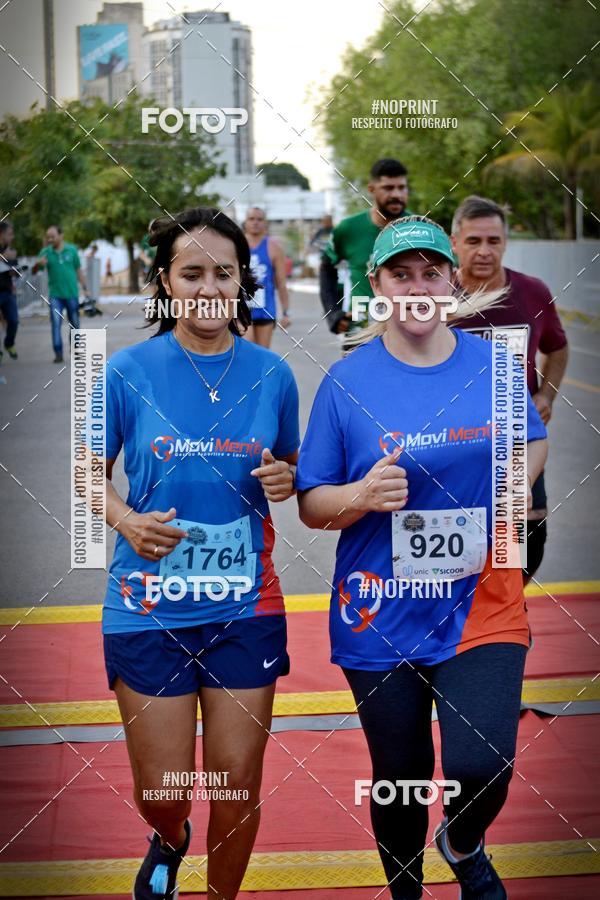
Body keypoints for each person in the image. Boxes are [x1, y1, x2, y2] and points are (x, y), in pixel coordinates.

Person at [297, 216, 547, 900]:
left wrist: (517, 483)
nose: (417, 287)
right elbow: (312, 504)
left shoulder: (492, 365)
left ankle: (463, 844)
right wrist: (359, 493)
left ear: (452, 281)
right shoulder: (347, 383)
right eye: (400, 274)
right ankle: (405, 887)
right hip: (380, 612)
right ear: (376, 284)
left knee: (484, 762)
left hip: (483, 601)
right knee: (400, 772)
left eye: (431, 272)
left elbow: (530, 439)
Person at [97, 207, 299, 899]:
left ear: (243, 281)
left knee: (236, 786)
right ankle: (169, 835)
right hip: (146, 605)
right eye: (193, 272)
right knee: (163, 790)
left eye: (224, 272)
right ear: (165, 282)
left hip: (245, 607)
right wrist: (125, 519)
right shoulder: (125, 370)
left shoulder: (273, 373)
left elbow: (296, 470)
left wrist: (288, 476)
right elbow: (81, 471)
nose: (209, 286)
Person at [450, 195, 568, 583]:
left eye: (494, 241)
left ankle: (509, 616)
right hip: (452, 443)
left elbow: (557, 348)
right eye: (473, 241)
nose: (484, 251)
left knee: (525, 540)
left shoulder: (532, 292)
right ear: (455, 243)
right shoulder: (437, 296)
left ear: (505, 242)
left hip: (515, 443)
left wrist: (546, 395)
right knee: (456, 540)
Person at [319, 158, 412, 338]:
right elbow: (326, 268)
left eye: (402, 187)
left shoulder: (419, 228)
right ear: (371, 189)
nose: (397, 194)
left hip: (408, 330)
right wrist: (333, 314)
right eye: (388, 188)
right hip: (361, 331)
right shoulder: (348, 229)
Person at [32, 226, 90, 363]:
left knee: (75, 323)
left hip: (71, 294)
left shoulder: (72, 250)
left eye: (53, 236)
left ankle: (76, 351)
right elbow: (34, 271)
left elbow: (78, 270)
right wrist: (37, 264)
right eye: (48, 237)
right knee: (56, 323)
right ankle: (58, 353)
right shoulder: (45, 252)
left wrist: (85, 288)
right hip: (55, 296)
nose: (50, 239)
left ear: (61, 235)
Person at [243, 207, 290, 347]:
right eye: (251, 219)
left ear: (265, 223)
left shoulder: (274, 248)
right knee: (247, 349)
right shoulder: (236, 245)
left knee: (263, 353)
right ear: (245, 222)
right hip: (242, 306)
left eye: (259, 219)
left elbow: (281, 283)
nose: (255, 222)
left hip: (265, 308)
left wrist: (286, 312)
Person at [0, 222, 19, 361]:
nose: (12, 237)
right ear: (1, 234)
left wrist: (15, 272)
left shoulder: (10, 250)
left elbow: (16, 272)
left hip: (7, 291)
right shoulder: (6, 252)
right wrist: (3, 256)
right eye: (9, 234)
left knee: (13, 321)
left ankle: (9, 343)